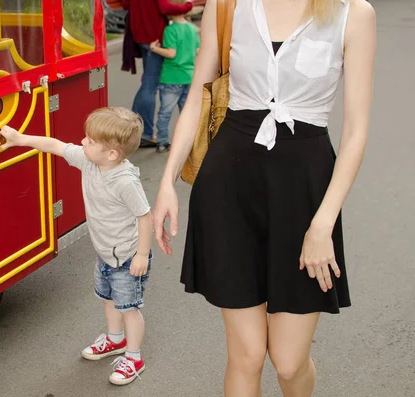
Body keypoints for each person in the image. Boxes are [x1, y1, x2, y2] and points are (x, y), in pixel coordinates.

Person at [152, 0, 376, 395]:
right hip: (229, 188)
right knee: (247, 355)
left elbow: (356, 131)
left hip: (305, 196)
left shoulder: (352, 14)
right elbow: (194, 101)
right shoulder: (227, 6)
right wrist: (167, 180)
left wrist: (323, 223)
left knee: (289, 364)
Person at [0, 107, 153, 386]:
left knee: (128, 307)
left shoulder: (125, 181)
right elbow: (55, 145)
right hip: (105, 253)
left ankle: (134, 356)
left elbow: (144, 216)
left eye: (90, 141)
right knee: (108, 300)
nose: (82, 142)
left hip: (128, 258)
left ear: (112, 154)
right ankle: (115, 341)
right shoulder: (89, 161)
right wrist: (19, 139)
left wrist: (142, 255)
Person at [121, 0, 194, 148]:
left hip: (140, 34)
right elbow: (165, 7)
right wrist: (188, 6)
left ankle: (134, 128)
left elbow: (125, 3)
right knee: (149, 86)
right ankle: (144, 134)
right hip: (154, 36)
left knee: (147, 83)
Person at [149, 0, 200, 152]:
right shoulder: (192, 29)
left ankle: (163, 141)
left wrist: (154, 48)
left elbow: (171, 53)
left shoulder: (170, 30)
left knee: (165, 112)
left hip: (171, 77)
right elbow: (197, 51)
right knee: (187, 112)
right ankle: (190, 141)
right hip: (188, 76)